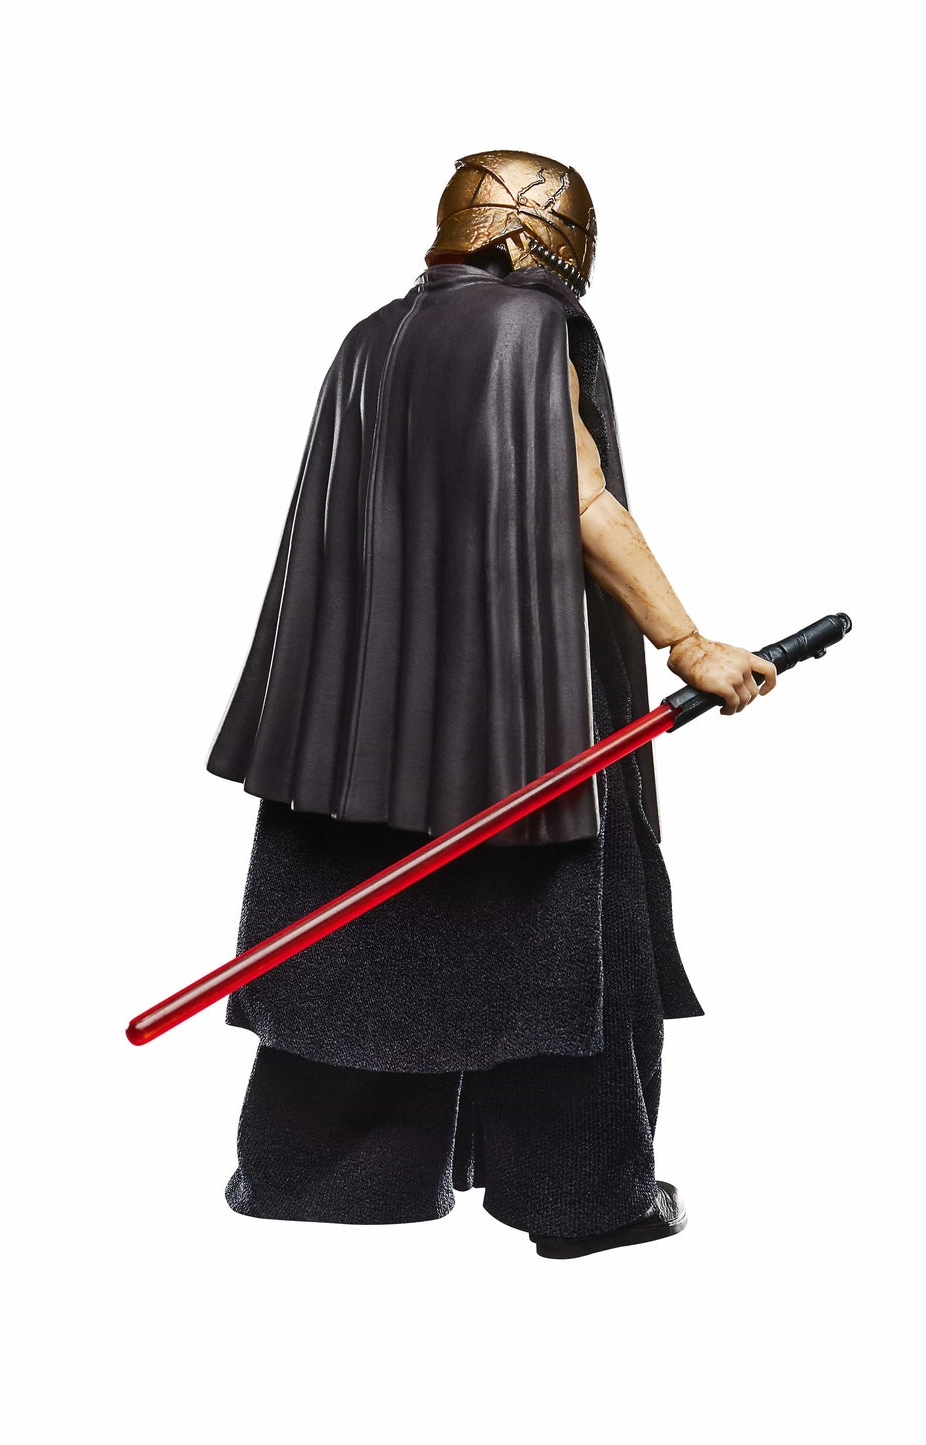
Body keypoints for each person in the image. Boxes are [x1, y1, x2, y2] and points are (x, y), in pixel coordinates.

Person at [206, 150, 776, 1258]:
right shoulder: (529, 327)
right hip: (519, 724)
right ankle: (580, 1197)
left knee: (353, 951)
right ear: (527, 238)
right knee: (562, 954)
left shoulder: (370, 337)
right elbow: (581, 498)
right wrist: (686, 639)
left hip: (350, 737)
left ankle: (326, 1181)